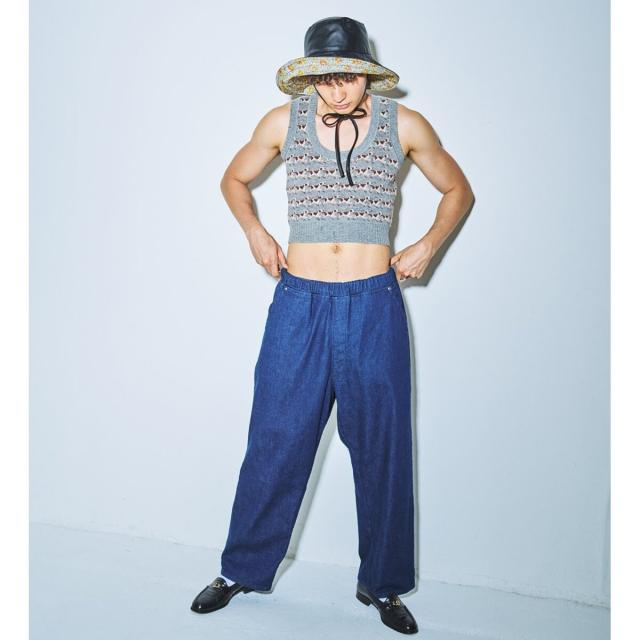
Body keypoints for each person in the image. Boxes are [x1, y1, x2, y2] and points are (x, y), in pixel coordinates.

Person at [190, 16, 474, 635]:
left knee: (383, 446)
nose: (336, 89)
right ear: (309, 76)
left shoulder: (405, 125)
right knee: (276, 436)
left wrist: (428, 244)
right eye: (324, 78)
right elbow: (233, 179)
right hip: (300, 303)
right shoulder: (282, 121)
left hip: (374, 303)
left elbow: (457, 189)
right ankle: (241, 569)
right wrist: (255, 231)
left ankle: (383, 583)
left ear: (367, 73)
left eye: (347, 76)